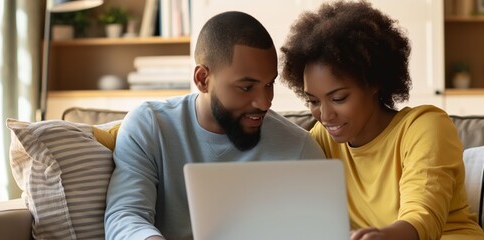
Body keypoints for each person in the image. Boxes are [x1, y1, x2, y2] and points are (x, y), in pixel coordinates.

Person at [104, 11, 325, 240]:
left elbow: (323, 231)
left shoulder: (299, 149)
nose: (265, 102)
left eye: (268, 84)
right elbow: (126, 215)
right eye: (247, 87)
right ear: (202, 79)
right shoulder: (150, 127)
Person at [280, 1, 484, 240]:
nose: (325, 116)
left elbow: (423, 216)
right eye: (314, 101)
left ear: (374, 83)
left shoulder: (424, 126)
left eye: (338, 98)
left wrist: (385, 236)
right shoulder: (321, 141)